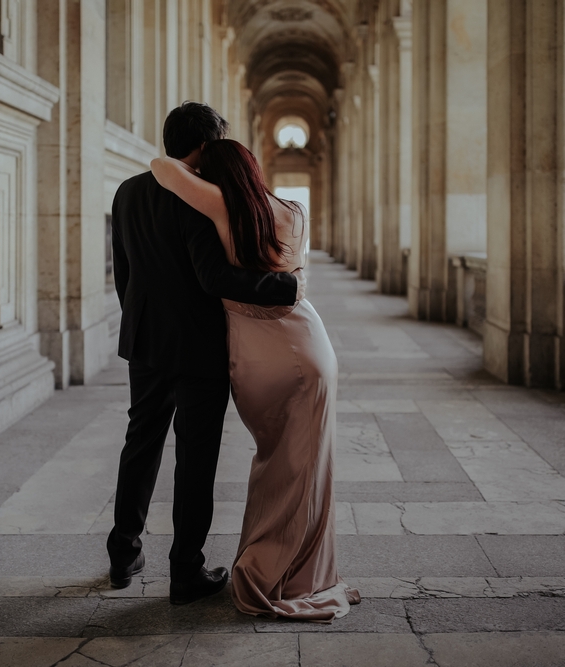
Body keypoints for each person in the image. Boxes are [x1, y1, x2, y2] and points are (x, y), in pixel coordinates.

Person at [151, 139, 360, 621]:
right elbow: (295, 274)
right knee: (307, 471)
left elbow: (160, 166)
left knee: (275, 465)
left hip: (255, 358)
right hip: (307, 344)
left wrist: (195, 162)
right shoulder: (293, 210)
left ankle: (272, 570)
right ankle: (293, 573)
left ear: (217, 175)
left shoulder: (222, 207)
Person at [108, 102, 305, 606]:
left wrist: (140, 322)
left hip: (146, 341)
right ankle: (185, 572)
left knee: (140, 444)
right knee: (195, 459)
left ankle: (123, 551)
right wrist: (285, 286)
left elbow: (124, 274)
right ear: (206, 143)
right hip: (198, 348)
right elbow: (212, 278)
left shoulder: (128, 191)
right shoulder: (202, 197)